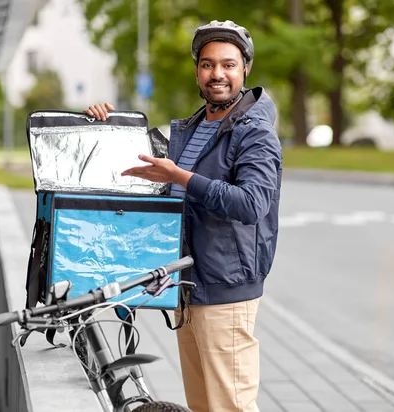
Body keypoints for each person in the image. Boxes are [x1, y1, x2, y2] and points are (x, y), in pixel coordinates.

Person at [85, 20, 282, 412]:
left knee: (232, 406)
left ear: (245, 69)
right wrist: (105, 126)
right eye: (208, 65)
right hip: (189, 287)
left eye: (228, 64)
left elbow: (251, 204)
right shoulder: (193, 129)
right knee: (203, 405)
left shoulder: (255, 132)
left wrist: (182, 176)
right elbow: (147, 177)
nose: (217, 74)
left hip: (225, 289)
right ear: (197, 71)